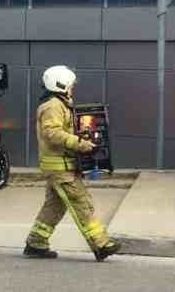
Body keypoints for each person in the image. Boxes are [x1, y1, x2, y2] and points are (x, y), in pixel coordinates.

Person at [24, 65, 119, 261]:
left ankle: (36, 242)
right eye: (70, 86)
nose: (72, 89)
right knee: (81, 202)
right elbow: (51, 133)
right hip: (61, 168)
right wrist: (80, 144)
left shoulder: (58, 104)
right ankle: (101, 244)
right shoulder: (53, 106)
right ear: (61, 85)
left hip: (60, 166)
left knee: (54, 206)